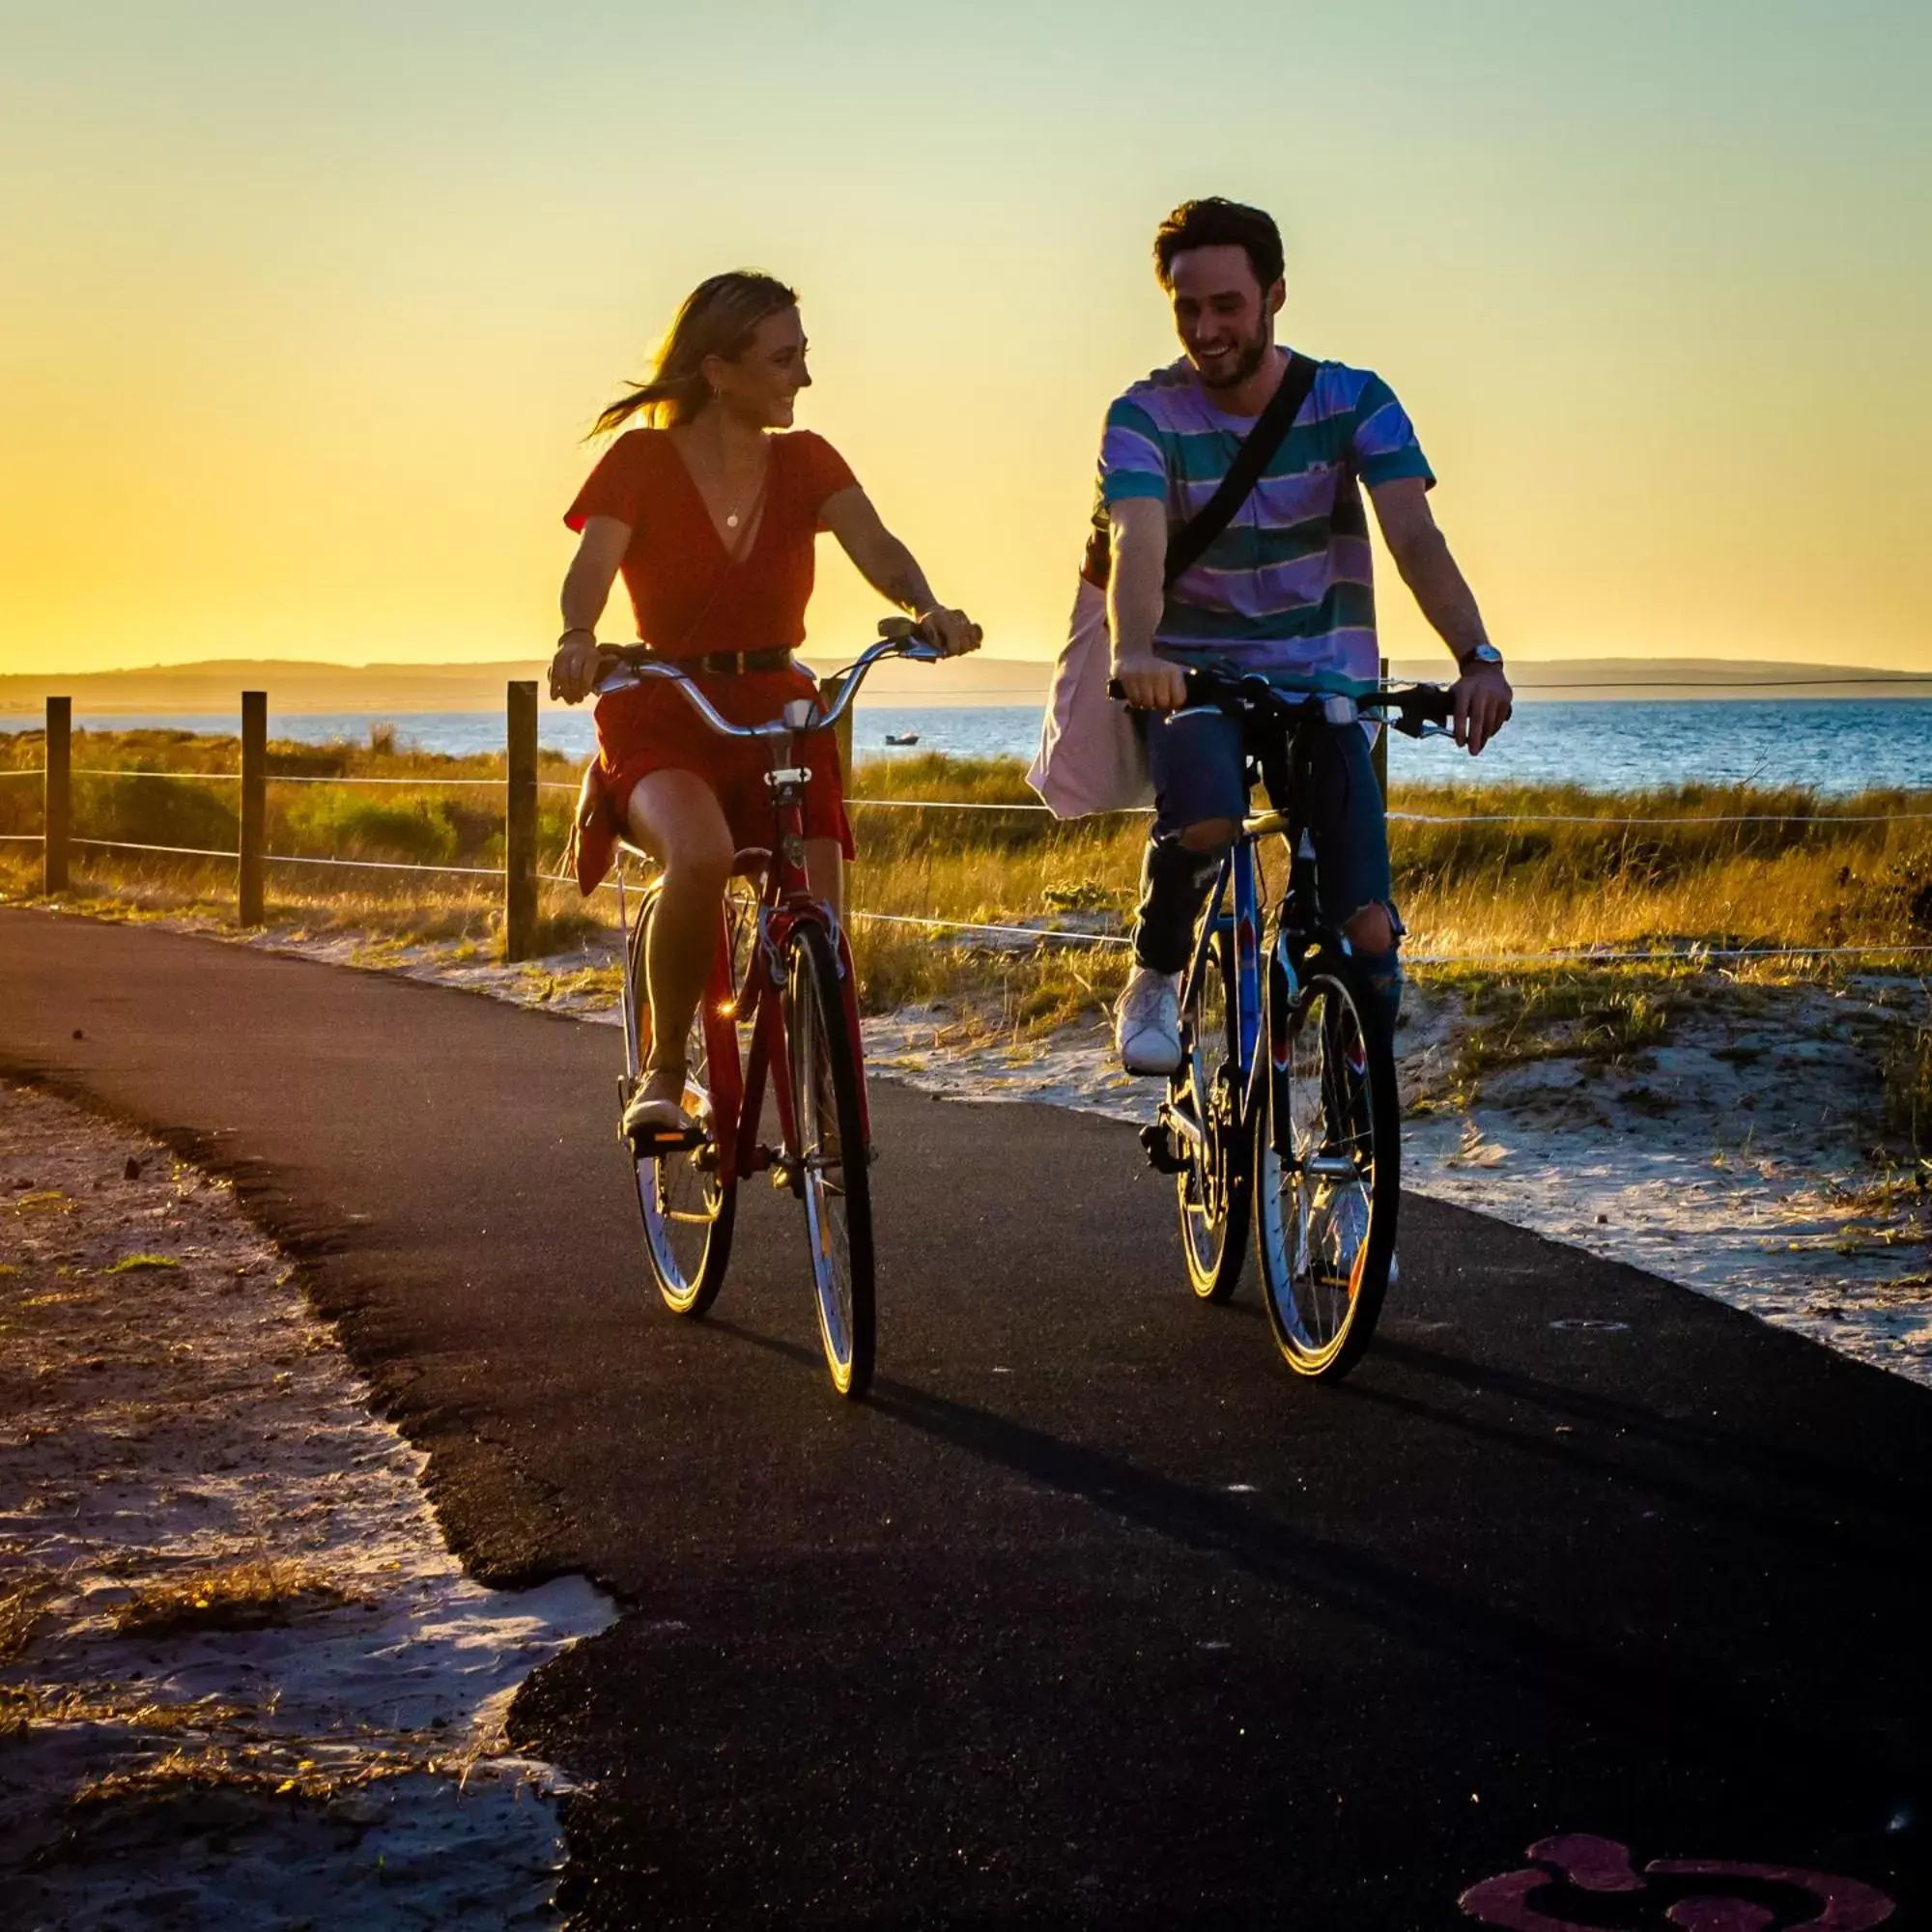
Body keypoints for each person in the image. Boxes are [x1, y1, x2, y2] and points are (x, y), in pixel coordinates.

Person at [550, 270, 979, 1139]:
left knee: (824, 902)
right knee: (700, 857)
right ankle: (668, 1074)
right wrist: (575, 636)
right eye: (784, 358)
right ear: (718, 370)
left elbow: (877, 547)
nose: (803, 378)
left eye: (803, 356)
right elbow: (589, 573)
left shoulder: (807, 460)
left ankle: (818, 1059)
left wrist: (927, 605)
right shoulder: (639, 463)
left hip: (780, 707)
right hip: (665, 706)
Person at [1099, 197, 1512, 1076]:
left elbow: (1414, 538)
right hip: (1195, 678)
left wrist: (1476, 656)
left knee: (1367, 925)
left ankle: (1355, 1115)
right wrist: (1137, 652)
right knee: (1207, 819)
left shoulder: (1353, 400)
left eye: (1226, 306)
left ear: (1275, 295)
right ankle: (1155, 970)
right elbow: (1135, 537)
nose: (1205, 329)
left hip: (1324, 679)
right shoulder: (1143, 415)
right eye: (1187, 309)